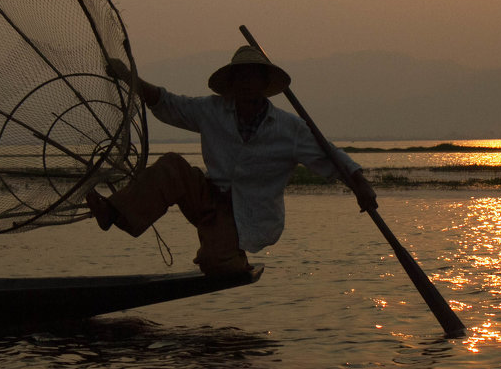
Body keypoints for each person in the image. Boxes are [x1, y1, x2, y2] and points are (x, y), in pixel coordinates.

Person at [86, 45, 377, 275]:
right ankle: (113, 212)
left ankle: (231, 257)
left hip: (246, 216)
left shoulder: (290, 129)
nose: (247, 83)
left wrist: (360, 185)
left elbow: (330, 155)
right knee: (172, 166)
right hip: (209, 197)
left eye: (253, 76)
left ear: (264, 83)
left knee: (218, 264)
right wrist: (128, 77)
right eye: (241, 77)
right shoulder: (212, 110)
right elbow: (166, 102)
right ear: (232, 83)